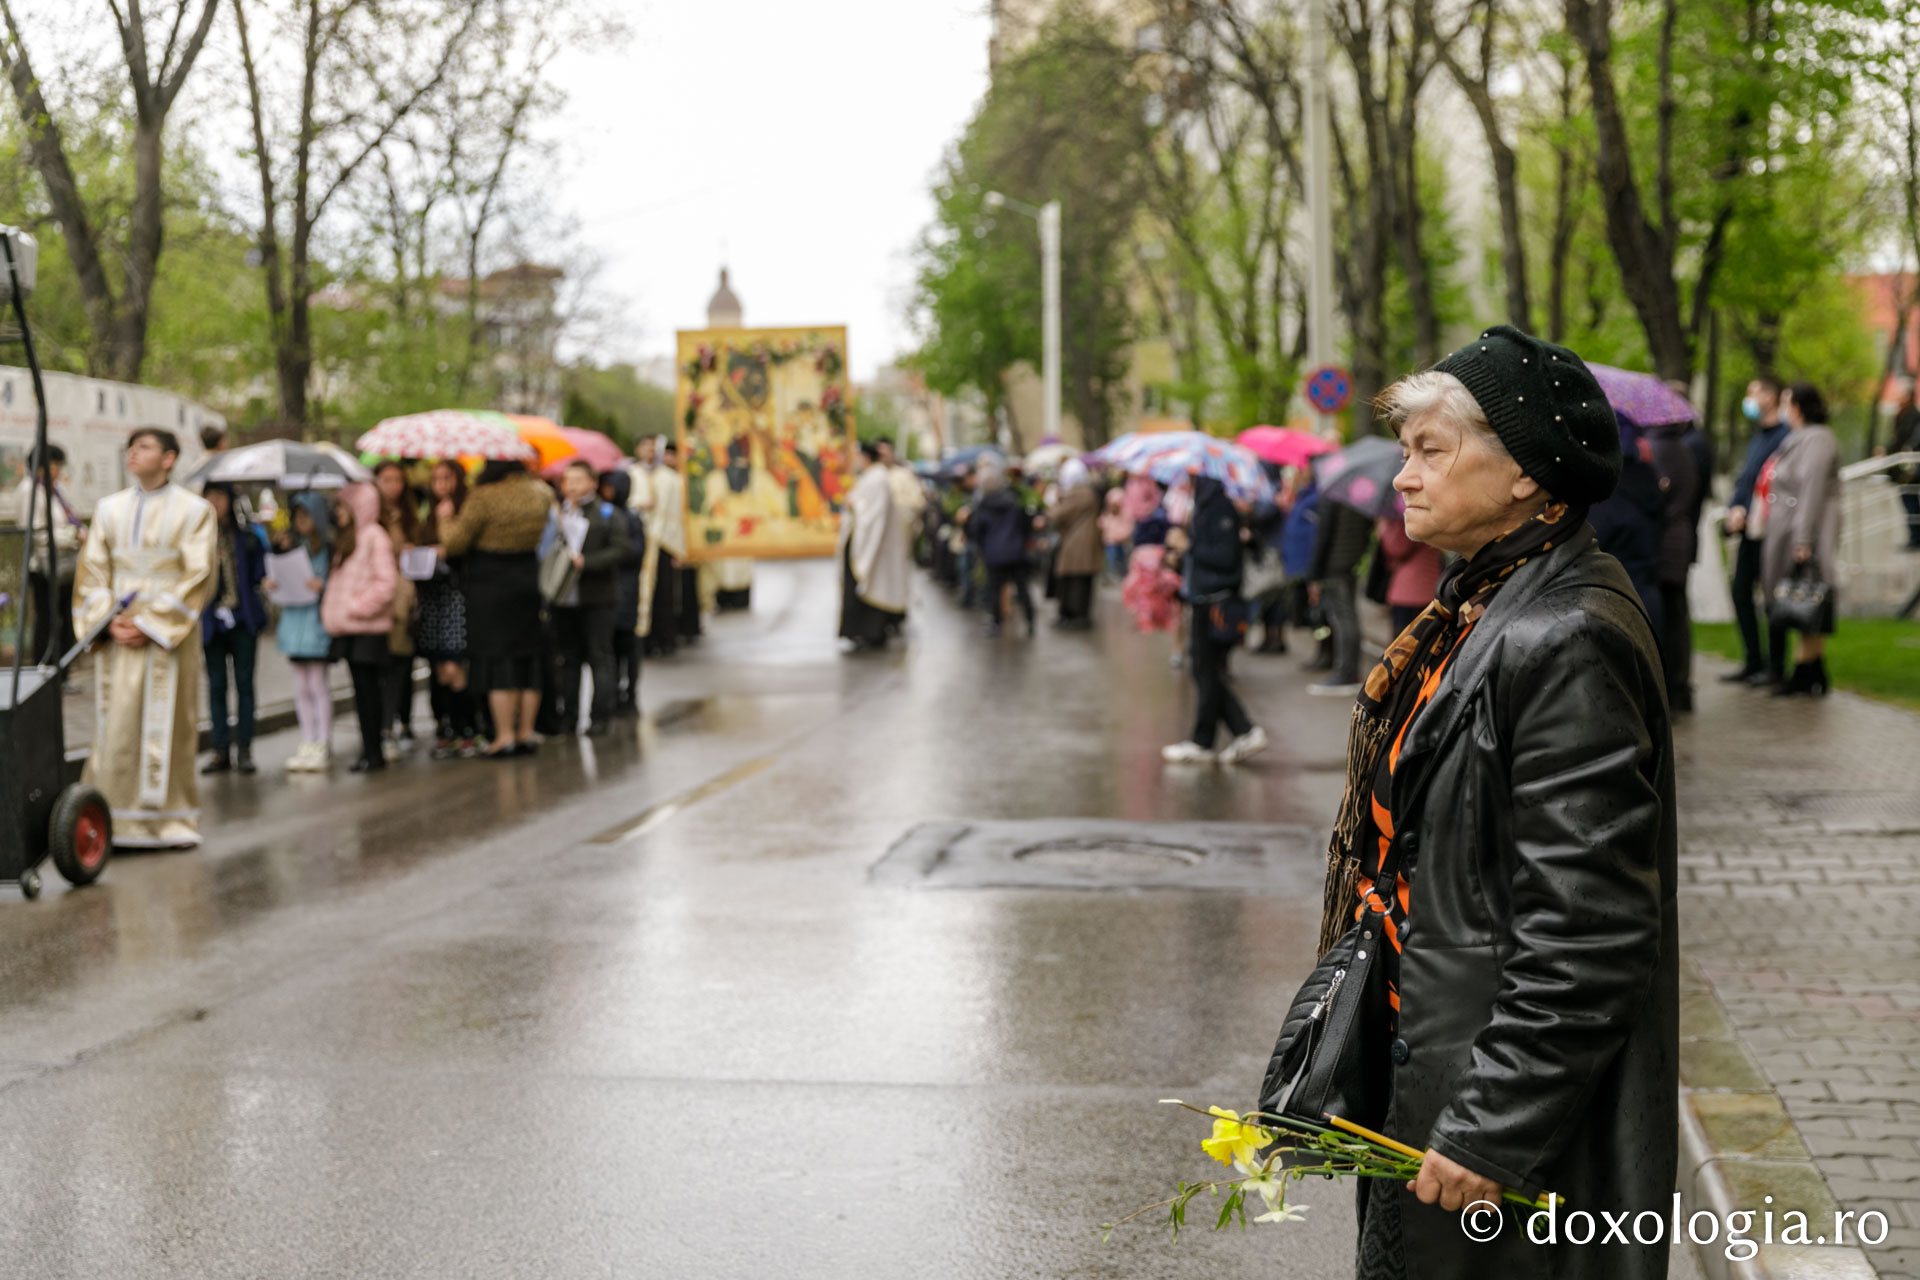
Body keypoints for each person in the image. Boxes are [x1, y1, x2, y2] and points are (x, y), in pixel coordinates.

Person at [1325, 328, 1674, 1280]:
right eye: (1406, 451)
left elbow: (1591, 927)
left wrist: (1489, 1130)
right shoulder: (1487, 604)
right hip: (1438, 1075)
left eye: (1432, 450)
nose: (1404, 476)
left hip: (1493, 1138)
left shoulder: (1566, 635)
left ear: (1525, 473)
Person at [72, 428, 218, 848]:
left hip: (167, 636)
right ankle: (111, 819)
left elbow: (199, 574)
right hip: (117, 631)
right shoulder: (108, 508)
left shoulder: (195, 511)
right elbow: (93, 572)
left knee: (169, 721)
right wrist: (107, 621)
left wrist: (150, 623)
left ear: (169, 458)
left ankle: (168, 822)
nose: (134, 453)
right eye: (131, 447)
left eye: (146, 447)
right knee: (115, 724)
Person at [439, 458, 551, 756]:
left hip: (490, 584)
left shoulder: (484, 497)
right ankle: (527, 730)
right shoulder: (541, 492)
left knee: (497, 659)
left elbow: (455, 544)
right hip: (528, 579)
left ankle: (504, 735)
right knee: (526, 656)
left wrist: (445, 518)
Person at [1162, 476, 1267, 766]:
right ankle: (1214, 737)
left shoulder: (1220, 509)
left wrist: (1188, 546)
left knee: (1206, 670)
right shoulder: (1205, 506)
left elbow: (1224, 557)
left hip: (1216, 603)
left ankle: (1234, 732)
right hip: (1203, 599)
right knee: (1203, 670)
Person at [1758, 382, 1841, 698]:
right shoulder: (1798, 439)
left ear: (1799, 406)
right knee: (1803, 600)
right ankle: (1813, 672)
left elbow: (1811, 489)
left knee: (1808, 599)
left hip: (1805, 534)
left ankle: (1805, 671)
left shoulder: (1818, 439)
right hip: (1791, 530)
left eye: (1786, 401)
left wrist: (1803, 538)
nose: (1782, 407)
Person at [546, 459, 633, 734]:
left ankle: (599, 717)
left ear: (593, 483)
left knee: (599, 656)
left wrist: (588, 561)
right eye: (567, 481)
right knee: (568, 658)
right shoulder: (558, 513)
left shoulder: (607, 514)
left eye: (577, 480)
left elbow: (622, 550)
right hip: (564, 597)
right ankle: (569, 716)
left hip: (597, 595)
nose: (571, 486)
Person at [320, 483, 398, 773]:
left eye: (343, 507)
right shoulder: (348, 539)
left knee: (369, 692)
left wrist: (356, 607)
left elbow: (386, 582)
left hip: (368, 629)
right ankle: (369, 748)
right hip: (351, 629)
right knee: (361, 692)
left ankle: (374, 750)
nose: (338, 513)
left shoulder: (374, 536)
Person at [1722, 375, 1790, 684]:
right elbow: (1747, 478)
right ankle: (1754, 661)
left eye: (1755, 392)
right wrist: (1736, 507)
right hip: (1749, 529)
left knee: (1772, 597)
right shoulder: (1758, 435)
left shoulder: (1785, 437)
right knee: (1740, 592)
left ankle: (1775, 668)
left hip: (1771, 531)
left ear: (1771, 396)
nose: (1749, 398)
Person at [198, 483, 269, 775]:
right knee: (216, 686)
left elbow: (261, 573)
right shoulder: (197, 538)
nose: (215, 503)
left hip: (243, 620)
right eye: (209, 497)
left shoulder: (247, 536)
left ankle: (245, 748)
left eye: (219, 497)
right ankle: (219, 750)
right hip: (212, 623)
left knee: (244, 685)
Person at [414, 460, 480, 757]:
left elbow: (458, 548)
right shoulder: (427, 514)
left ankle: (467, 728)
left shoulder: (464, 511)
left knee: (455, 667)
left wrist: (447, 521)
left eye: (447, 478)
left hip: (456, 596)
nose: (441, 485)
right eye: (436, 479)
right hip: (433, 598)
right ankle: (447, 727)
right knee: (440, 669)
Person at [269, 493, 335, 772]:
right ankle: (307, 738)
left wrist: (323, 587)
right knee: (300, 685)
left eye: (307, 516)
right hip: (293, 624)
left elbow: (334, 584)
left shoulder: (328, 550)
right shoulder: (289, 548)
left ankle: (323, 741)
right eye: (298, 517)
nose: (301, 521)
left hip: (316, 623)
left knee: (317, 684)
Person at [7, 442, 82, 665]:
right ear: (41, 466)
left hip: (66, 563)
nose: (58, 469)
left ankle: (63, 672)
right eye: (55, 464)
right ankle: (44, 669)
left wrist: (79, 533)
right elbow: (36, 532)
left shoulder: (55, 489)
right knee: (47, 619)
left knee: (66, 618)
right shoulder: (29, 490)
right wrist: (72, 537)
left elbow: (70, 519)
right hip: (43, 566)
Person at [1646, 417, 1702, 711]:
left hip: (1662, 540)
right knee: (1678, 613)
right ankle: (1680, 686)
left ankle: (1667, 685)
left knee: (1664, 615)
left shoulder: (1656, 449)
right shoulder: (1685, 449)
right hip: (1681, 538)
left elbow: (1654, 498)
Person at [1590, 417, 1666, 634]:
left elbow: (1598, 537)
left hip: (1614, 600)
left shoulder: (1610, 489)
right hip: (1647, 595)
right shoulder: (1649, 477)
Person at [837, 442, 910, 649]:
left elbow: (873, 514)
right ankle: (860, 632)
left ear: (866, 457)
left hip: (873, 546)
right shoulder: (870, 477)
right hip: (862, 540)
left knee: (871, 590)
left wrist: (854, 504)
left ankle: (871, 633)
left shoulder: (878, 478)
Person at [373, 461, 421, 757]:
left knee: (400, 663)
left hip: (403, 599)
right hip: (379, 600)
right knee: (381, 665)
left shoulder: (410, 515)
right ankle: (383, 724)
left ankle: (396, 723)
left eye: (398, 480)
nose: (393, 486)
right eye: (386, 480)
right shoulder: (371, 519)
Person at [1307, 497, 1373, 695]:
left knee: (1342, 618)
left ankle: (1346, 672)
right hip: (1350, 562)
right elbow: (1366, 529)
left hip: (1335, 564)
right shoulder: (1359, 496)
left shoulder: (1332, 494)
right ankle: (1348, 671)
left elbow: (1324, 535)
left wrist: (1314, 574)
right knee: (1348, 617)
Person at [964, 458, 1035, 637]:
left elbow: (977, 531)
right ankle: (1030, 620)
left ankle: (997, 623)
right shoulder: (1013, 501)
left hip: (994, 554)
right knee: (1022, 587)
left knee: (995, 589)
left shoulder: (983, 506)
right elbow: (1024, 525)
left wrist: (983, 546)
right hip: (1015, 551)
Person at [599, 468, 647, 717]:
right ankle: (614, 692)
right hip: (607, 590)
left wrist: (615, 548)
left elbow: (637, 552)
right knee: (611, 646)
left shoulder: (631, 518)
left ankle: (631, 692)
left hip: (626, 589)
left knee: (628, 644)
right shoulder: (602, 514)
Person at [1046, 459, 1101, 628]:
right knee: (1082, 581)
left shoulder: (1076, 494)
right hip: (1085, 541)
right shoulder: (1088, 492)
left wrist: (1055, 502)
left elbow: (1057, 516)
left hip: (1075, 542)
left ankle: (1074, 615)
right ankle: (1078, 614)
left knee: (1073, 581)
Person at [1374, 512, 1442, 635]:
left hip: (1409, 591)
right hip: (1429, 588)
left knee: (1403, 644)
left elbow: (1397, 548)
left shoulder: (1407, 519)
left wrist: (1383, 529)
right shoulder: (1429, 516)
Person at [662, 442, 702, 643]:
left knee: (687, 587)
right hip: (669, 538)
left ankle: (690, 627)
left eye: (673, 455)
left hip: (688, 538)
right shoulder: (663, 480)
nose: (669, 459)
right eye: (666, 455)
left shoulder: (687, 481)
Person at [1889, 381, 1920, 549]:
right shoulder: (1902, 414)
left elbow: (1909, 442)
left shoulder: (1913, 416)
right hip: (1904, 470)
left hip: (1910, 471)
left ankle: (1916, 538)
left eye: (1900, 394)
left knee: (1911, 503)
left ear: (1908, 396)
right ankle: (1915, 537)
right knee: (1909, 502)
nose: (1896, 397)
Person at [1097, 485, 1133, 580]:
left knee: (1121, 559)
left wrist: (1120, 536)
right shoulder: (1108, 513)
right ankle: (1111, 574)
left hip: (1121, 542)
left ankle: (1121, 574)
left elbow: (1128, 528)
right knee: (1110, 558)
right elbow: (1101, 524)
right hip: (1109, 541)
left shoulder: (1125, 514)